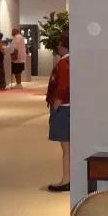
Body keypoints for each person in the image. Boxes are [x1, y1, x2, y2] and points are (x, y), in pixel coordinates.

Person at [46, 32, 70, 191]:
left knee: (66, 146)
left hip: (64, 107)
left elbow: (63, 86)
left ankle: (66, 179)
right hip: (70, 106)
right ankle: (68, 178)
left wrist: (56, 103)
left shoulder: (64, 63)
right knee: (69, 145)